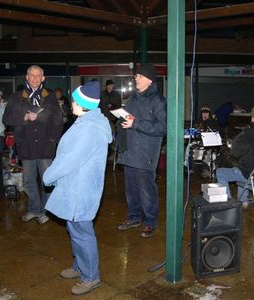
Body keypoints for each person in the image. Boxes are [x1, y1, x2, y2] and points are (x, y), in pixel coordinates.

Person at [43, 81, 111, 296]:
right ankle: (80, 266)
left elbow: (69, 159)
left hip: (80, 188)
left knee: (82, 233)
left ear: (82, 105)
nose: (71, 103)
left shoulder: (89, 128)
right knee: (75, 230)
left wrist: (49, 175)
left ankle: (91, 277)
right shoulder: (87, 121)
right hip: (76, 185)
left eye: (74, 100)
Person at [3, 65, 63, 224]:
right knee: (29, 181)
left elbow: (58, 120)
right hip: (26, 145)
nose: (35, 78)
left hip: (46, 146)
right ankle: (34, 209)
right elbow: (7, 119)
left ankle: (45, 211)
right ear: (27, 77)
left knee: (47, 181)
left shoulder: (49, 96)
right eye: (32, 75)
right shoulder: (17, 97)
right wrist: (24, 117)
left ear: (43, 78)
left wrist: (53, 140)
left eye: (38, 76)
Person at [116, 64, 167, 238]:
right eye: (136, 76)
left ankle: (150, 222)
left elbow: (162, 127)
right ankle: (134, 217)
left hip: (146, 154)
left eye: (139, 76)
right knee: (131, 190)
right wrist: (120, 120)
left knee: (146, 190)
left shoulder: (158, 101)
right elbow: (128, 119)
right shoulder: (132, 99)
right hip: (130, 151)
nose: (135, 78)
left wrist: (135, 124)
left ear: (149, 80)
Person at [216, 101, 254, 206]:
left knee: (221, 172)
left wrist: (244, 131)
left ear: (253, 116)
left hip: (253, 176)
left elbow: (235, 152)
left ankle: (228, 205)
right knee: (243, 166)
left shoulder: (250, 133)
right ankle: (243, 199)